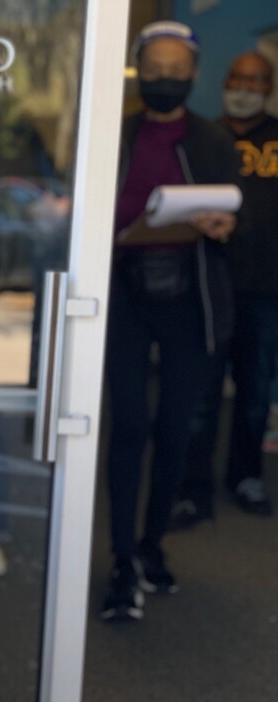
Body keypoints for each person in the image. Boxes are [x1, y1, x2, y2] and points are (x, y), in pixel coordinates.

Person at [100, 22, 240, 622]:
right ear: (137, 70)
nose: (164, 78)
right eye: (153, 68)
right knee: (129, 426)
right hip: (125, 296)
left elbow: (244, 217)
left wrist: (223, 226)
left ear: (193, 74)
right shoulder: (114, 136)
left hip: (190, 299)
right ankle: (121, 558)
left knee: (175, 431)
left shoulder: (212, 141)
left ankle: (154, 547)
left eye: (175, 69)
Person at [173, 51, 277, 527]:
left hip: (266, 289)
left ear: (268, 88)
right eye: (237, 77)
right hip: (207, 283)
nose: (244, 86)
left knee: (254, 390)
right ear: (223, 82)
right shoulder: (204, 138)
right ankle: (193, 489)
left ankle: (245, 476)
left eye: (256, 81)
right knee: (202, 393)